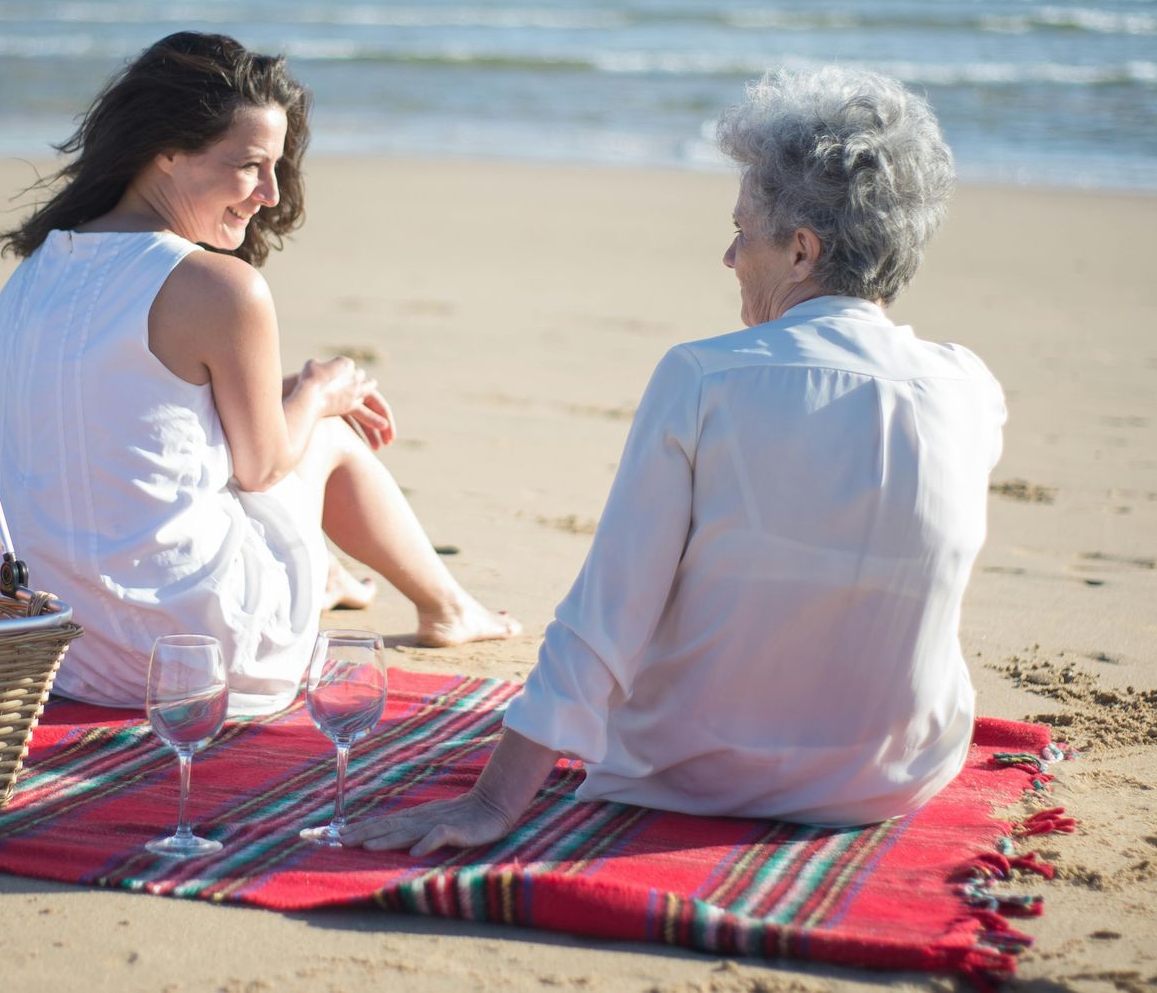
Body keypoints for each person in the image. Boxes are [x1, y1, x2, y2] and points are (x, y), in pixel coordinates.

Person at [347, 66, 1005, 851]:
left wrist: (491, 803)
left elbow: (605, 615)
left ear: (802, 250)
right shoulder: (971, 387)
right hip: (894, 777)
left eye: (742, 228)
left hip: (699, 776)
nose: (729, 255)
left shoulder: (702, 377)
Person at [0, 31, 517, 715]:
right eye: (250, 166)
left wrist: (296, 394)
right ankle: (447, 607)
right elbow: (262, 468)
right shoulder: (218, 287)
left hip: (59, 652)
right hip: (195, 659)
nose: (269, 193)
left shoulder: (35, 271)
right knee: (324, 433)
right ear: (165, 150)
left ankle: (329, 574)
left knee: (283, 412)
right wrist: (323, 391)